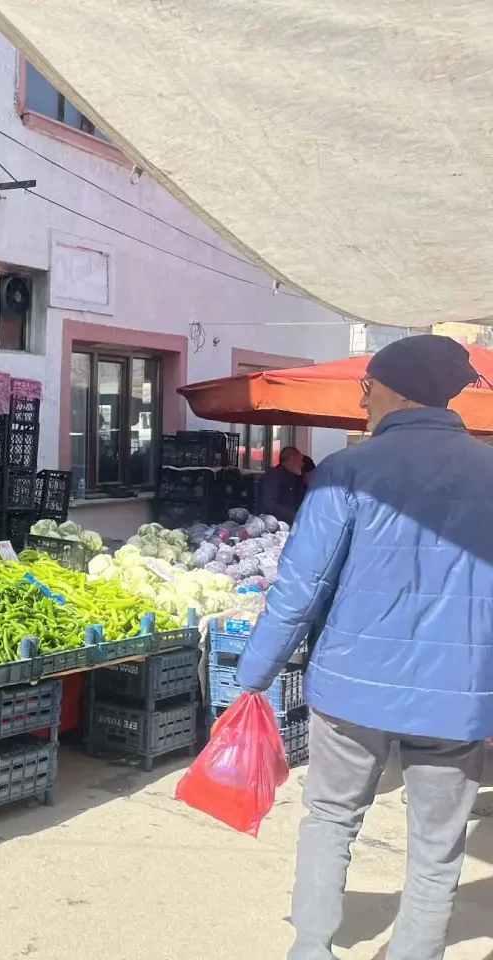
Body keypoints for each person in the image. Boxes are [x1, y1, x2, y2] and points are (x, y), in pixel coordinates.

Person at [235, 334, 491, 960]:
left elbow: (299, 588)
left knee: (329, 818)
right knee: (437, 848)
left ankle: (312, 948)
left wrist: (253, 677)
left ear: (395, 388)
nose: (362, 399)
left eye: (367, 386)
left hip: (351, 687)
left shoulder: (347, 471)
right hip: (456, 697)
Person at [256, 444, 306, 524]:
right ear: (292, 458)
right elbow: (269, 504)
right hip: (274, 526)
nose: (302, 464)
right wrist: (294, 515)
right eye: (300, 459)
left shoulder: (294, 478)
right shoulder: (273, 476)